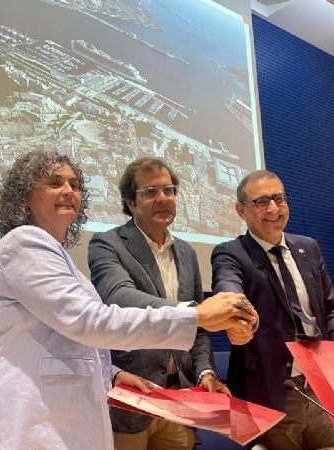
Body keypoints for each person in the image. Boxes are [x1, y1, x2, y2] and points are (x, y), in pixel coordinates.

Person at [0, 150, 257, 450]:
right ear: (24, 196)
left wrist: (112, 374)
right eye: (54, 183)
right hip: (25, 422)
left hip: (71, 417)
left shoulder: (57, 256)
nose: (68, 190)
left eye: (75, 185)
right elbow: (91, 321)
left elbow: (69, 339)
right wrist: (195, 315)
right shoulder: (24, 243)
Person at [88, 157, 250, 450]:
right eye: (150, 192)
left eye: (169, 190)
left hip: (179, 396)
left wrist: (205, 372)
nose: (162, 198)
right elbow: (119, 297)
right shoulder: (107, 244)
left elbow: (199, 330)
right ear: (130, 202)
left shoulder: (187, 252)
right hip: (131, 396)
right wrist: (193, 313)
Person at [211, 169, 334, 450]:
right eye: (261, 201)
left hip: (319, 386)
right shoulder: (230, 252)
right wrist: (235, 312)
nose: (273, 208)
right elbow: (228, 289)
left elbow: (330, 308)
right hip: (270, 392)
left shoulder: (308, 248)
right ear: (241, 210)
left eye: (279, 199)